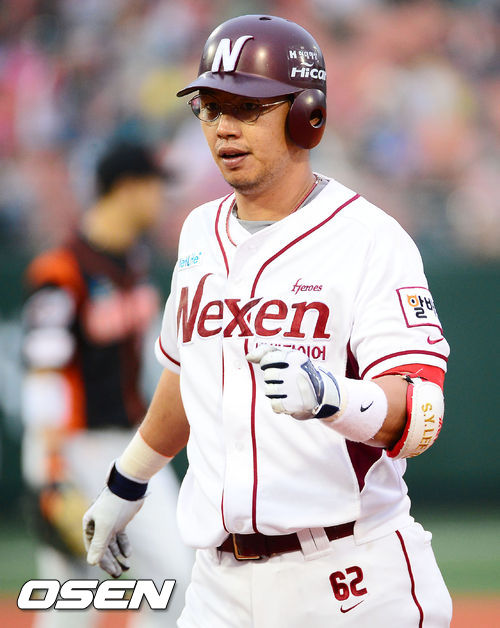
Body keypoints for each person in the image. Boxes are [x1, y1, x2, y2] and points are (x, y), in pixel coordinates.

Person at [83, 15, 452, 627]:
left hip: (348, 576)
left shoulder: (369, 239)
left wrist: (333, 396)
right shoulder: (198, 232)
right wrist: (128, 481)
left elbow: (423, 415)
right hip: (217, 586)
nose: (224, 127)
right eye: (210, 107)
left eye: (247, 108)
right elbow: (189, 374)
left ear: (307, 115)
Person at [21, 141, 193, 628]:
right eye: (155, 187)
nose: (161, 199)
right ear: (128, 188)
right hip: (74, 446)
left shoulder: (134, 263)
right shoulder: (61, 270)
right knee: (72, 601)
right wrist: (50, 467)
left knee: (178, 578)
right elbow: (43, 374)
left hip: (130, 445)